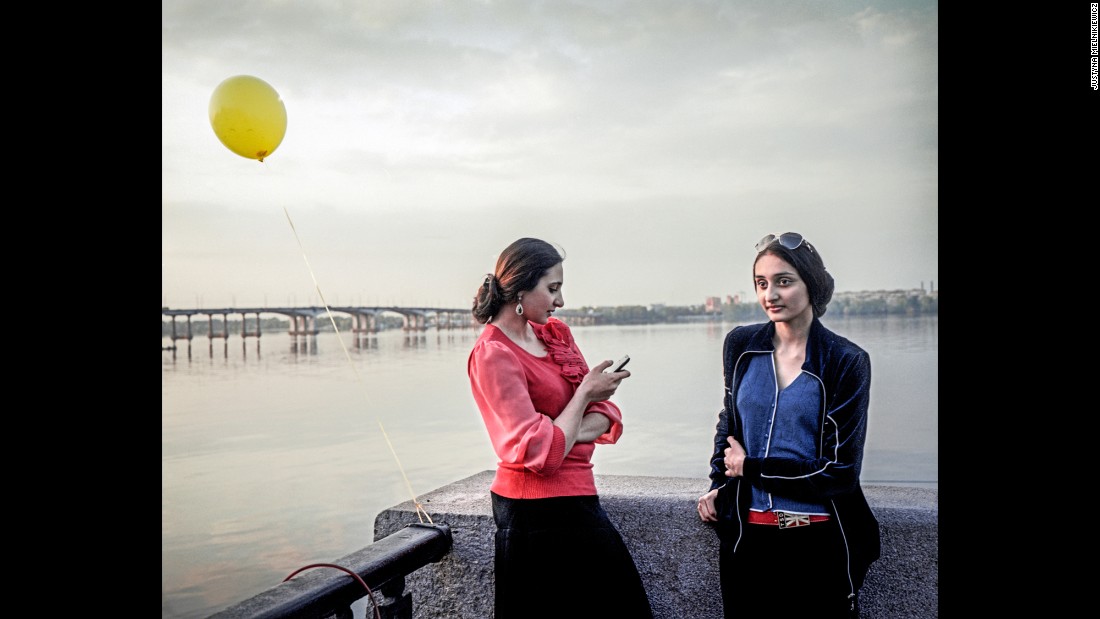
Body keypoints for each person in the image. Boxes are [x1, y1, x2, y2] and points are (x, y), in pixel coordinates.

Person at [696, 232, 881, 619]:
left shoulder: (846, 361)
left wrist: (749, 469)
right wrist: (719, 484)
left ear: (810, 285)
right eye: (761, 284)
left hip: (818, 543)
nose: (770, 295)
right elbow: (728, 422)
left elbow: (839, 473)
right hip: (748, 542)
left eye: (784, 281)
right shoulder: (741, 345)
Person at [468, 237, 653, 619]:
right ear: (520, 288)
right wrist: (582, 395)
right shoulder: (493, 354)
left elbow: (608, 414)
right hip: (531, 516)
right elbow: (542, 455)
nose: (560, 301)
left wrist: (559, 430)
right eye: (552, 289)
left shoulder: (556, 335)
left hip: (581, 499)